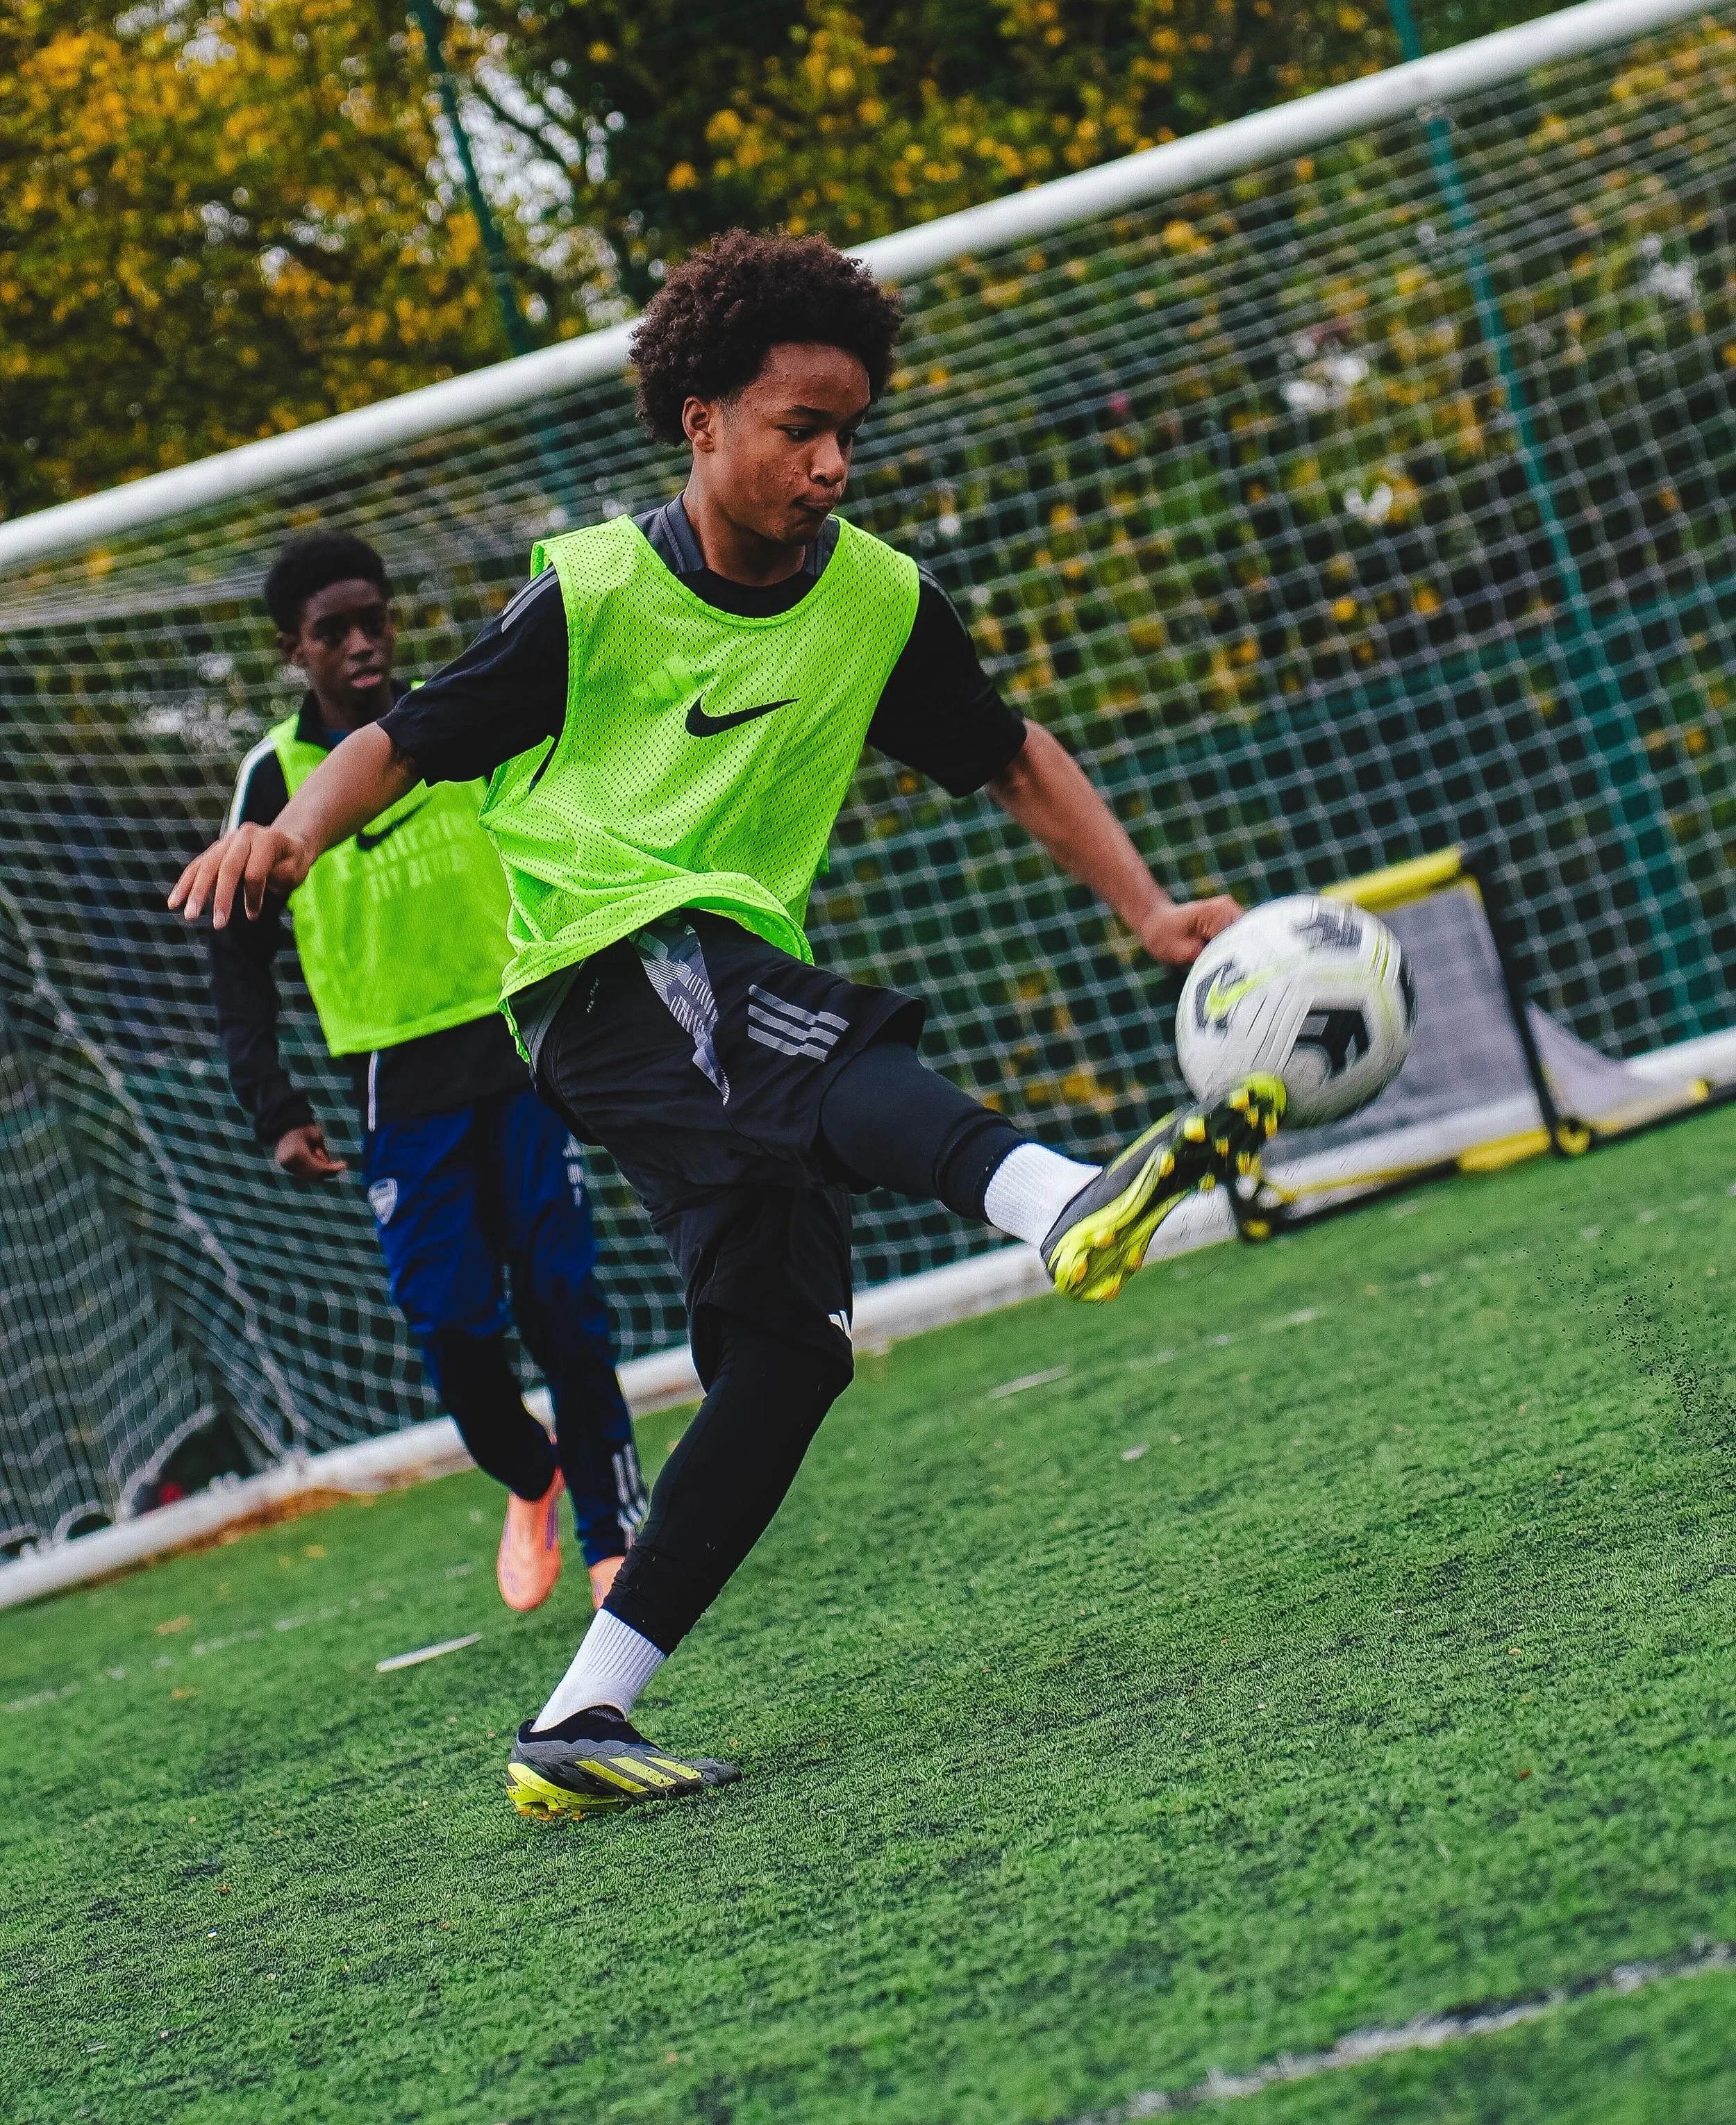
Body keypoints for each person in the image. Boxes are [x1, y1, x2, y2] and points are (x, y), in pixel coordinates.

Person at [173, 233, 1278, 1824]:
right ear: (700, 421)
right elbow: (409, 742)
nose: (830, 463)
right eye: (795, 428)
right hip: (594, 973)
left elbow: (1006, 750)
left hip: (721, 982)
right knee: (809, 1043)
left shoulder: (878, 597)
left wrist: (1151, 912)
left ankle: (579, 1713)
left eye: (849, 432)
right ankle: (1057, 1198)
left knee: (782, 1357)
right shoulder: (594, 590)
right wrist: (290, 835)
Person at [201, 526, 646, 1617]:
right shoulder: (275, 775)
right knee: (449, 1323)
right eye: (331, 631)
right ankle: (531, 1474)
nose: (361, 644)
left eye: (374, 620)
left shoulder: (459, 717)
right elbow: (236, 953)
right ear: (292, 651)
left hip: (523, 1047)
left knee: (562, 1298)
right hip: (395, 1091)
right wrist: (275, 1105)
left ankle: (612, 1534)